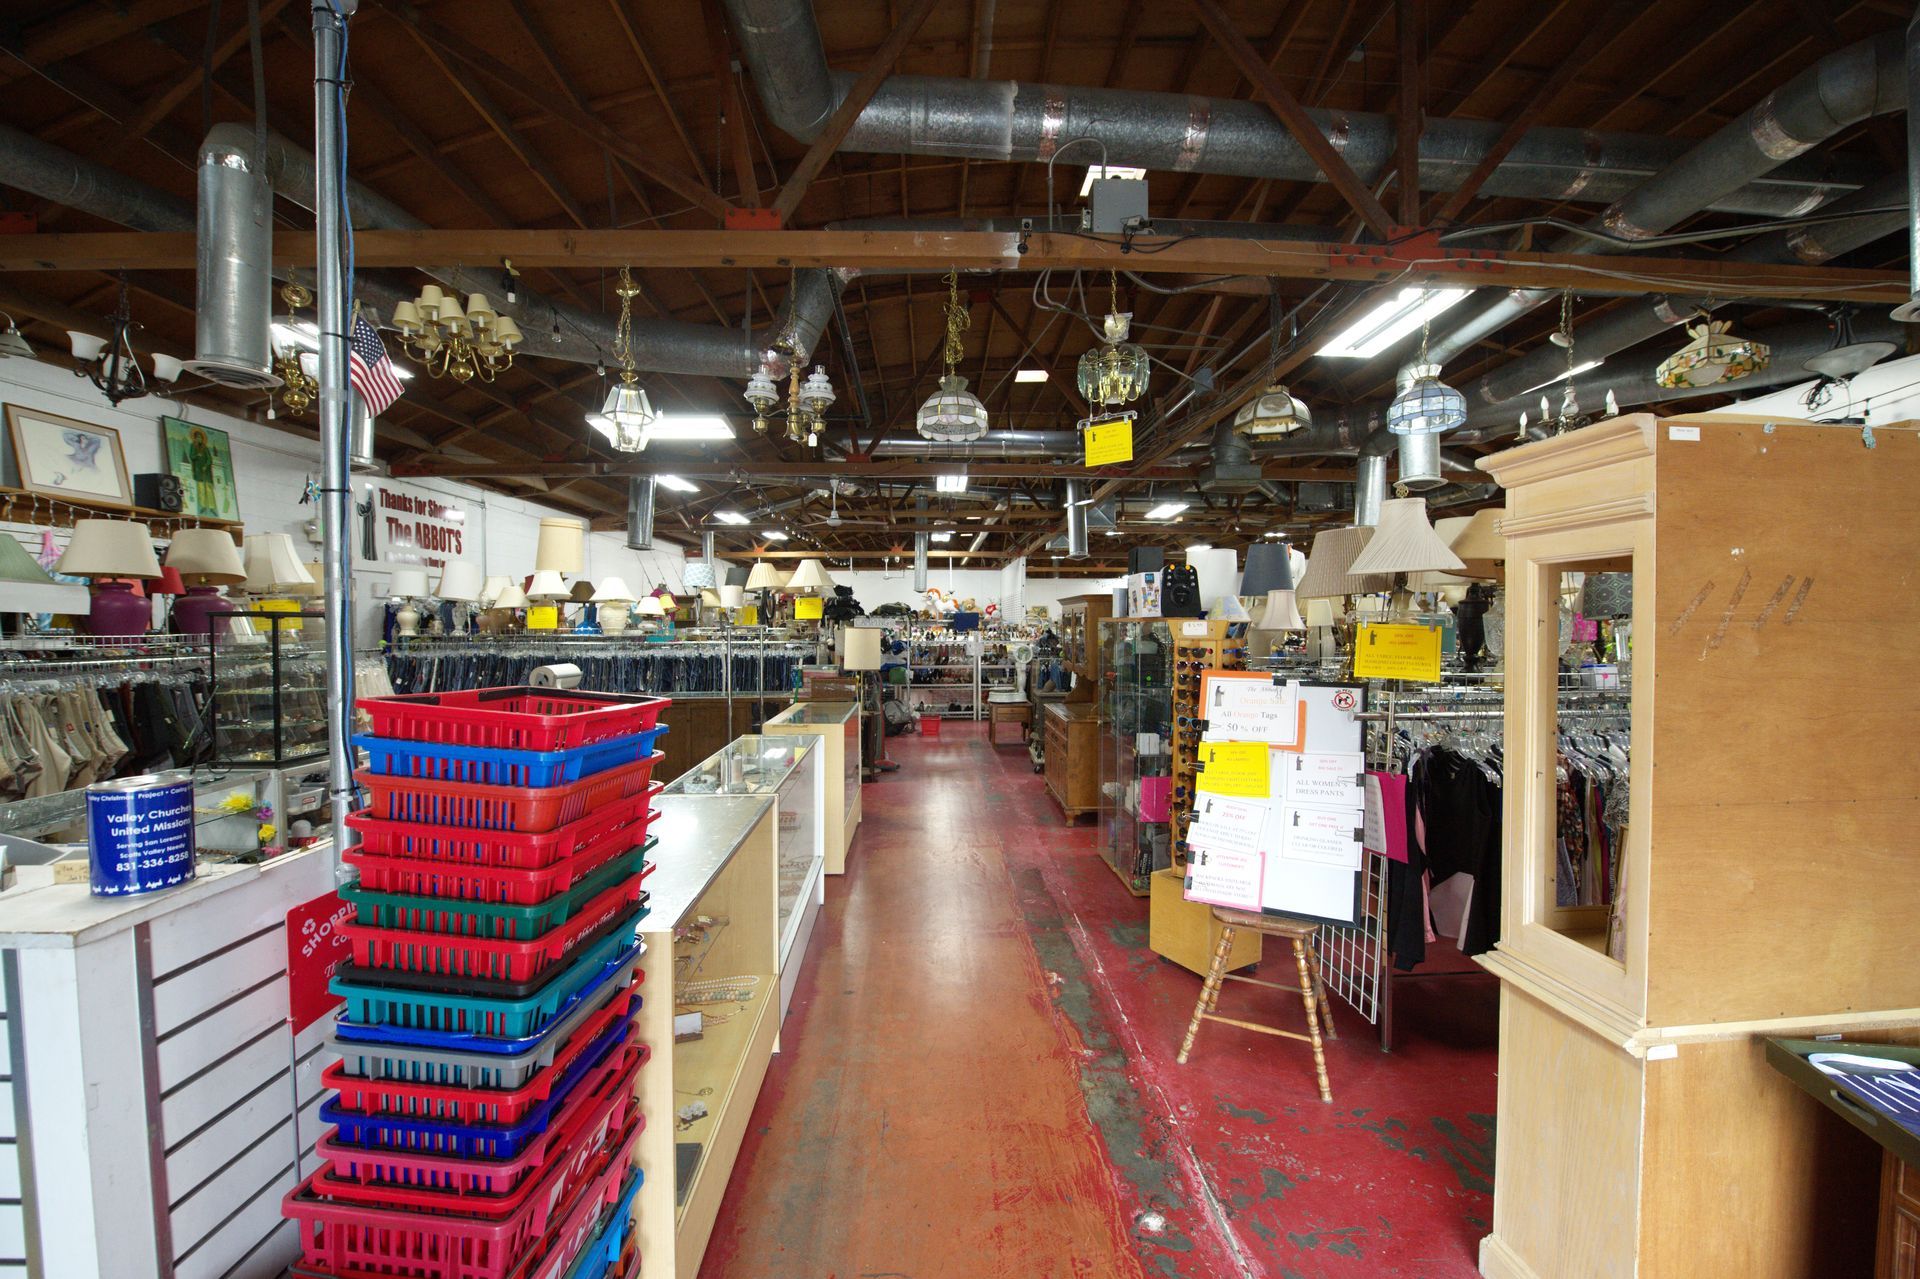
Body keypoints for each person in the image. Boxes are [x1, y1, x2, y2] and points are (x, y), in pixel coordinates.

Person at [187, 428, 219, 513]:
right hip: (198, 471)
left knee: (209, 489)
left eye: (200, 438)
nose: (199, 439)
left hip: (206, 471)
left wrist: (206, 465)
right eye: (197, 438)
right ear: (195, 438)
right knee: (201, 488)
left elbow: (209, 459)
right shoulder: (193, 446)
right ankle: (203, 506)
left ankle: (212, 507)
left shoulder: (205, 448)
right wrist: (197, 455)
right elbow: (191, 456)